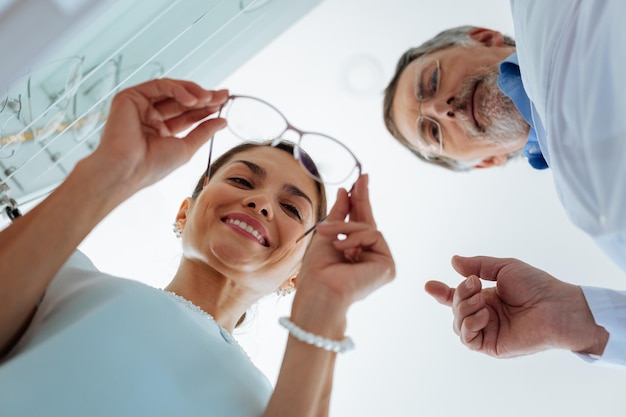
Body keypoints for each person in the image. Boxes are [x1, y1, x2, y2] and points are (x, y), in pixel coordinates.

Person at [0, 78, 395, 416]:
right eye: (242, 182)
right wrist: (113, 169)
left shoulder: (271, 403)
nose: (260, 204)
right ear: (184, 212)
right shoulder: (62, 275)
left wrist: (325, 303)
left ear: (298, 272)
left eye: (291, 207)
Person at [383, 1, 626, 367]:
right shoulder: (586, 204)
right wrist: (578, 319)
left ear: (483, 38)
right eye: (432, 131)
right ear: (484, 162)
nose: (443, 109)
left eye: (431, 82)